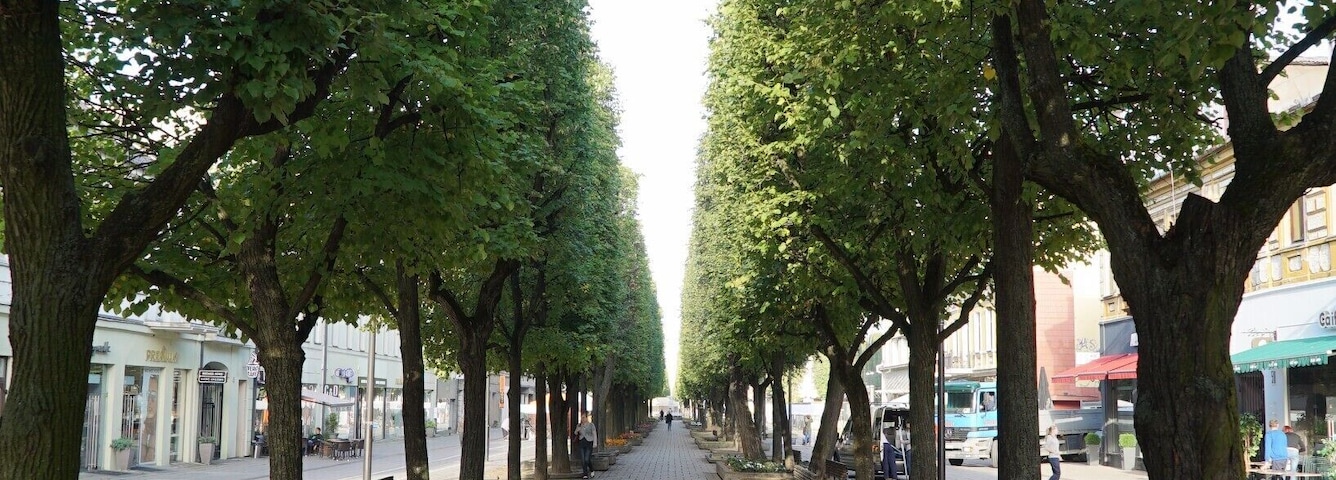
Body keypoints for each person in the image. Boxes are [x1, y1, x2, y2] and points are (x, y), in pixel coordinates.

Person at [576, 412, 597, 479]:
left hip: (589, 442)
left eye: (584, 417)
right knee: (583, 459)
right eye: (581, 418)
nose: (582, 419)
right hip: (582, 442)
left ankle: (592, 470)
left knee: (587, 459)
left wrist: (595, 443)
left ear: (587, 417)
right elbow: (575, 433)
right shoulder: (579, 425)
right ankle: (585, 474)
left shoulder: (591, 425)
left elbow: (594, 434)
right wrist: (577, 430)